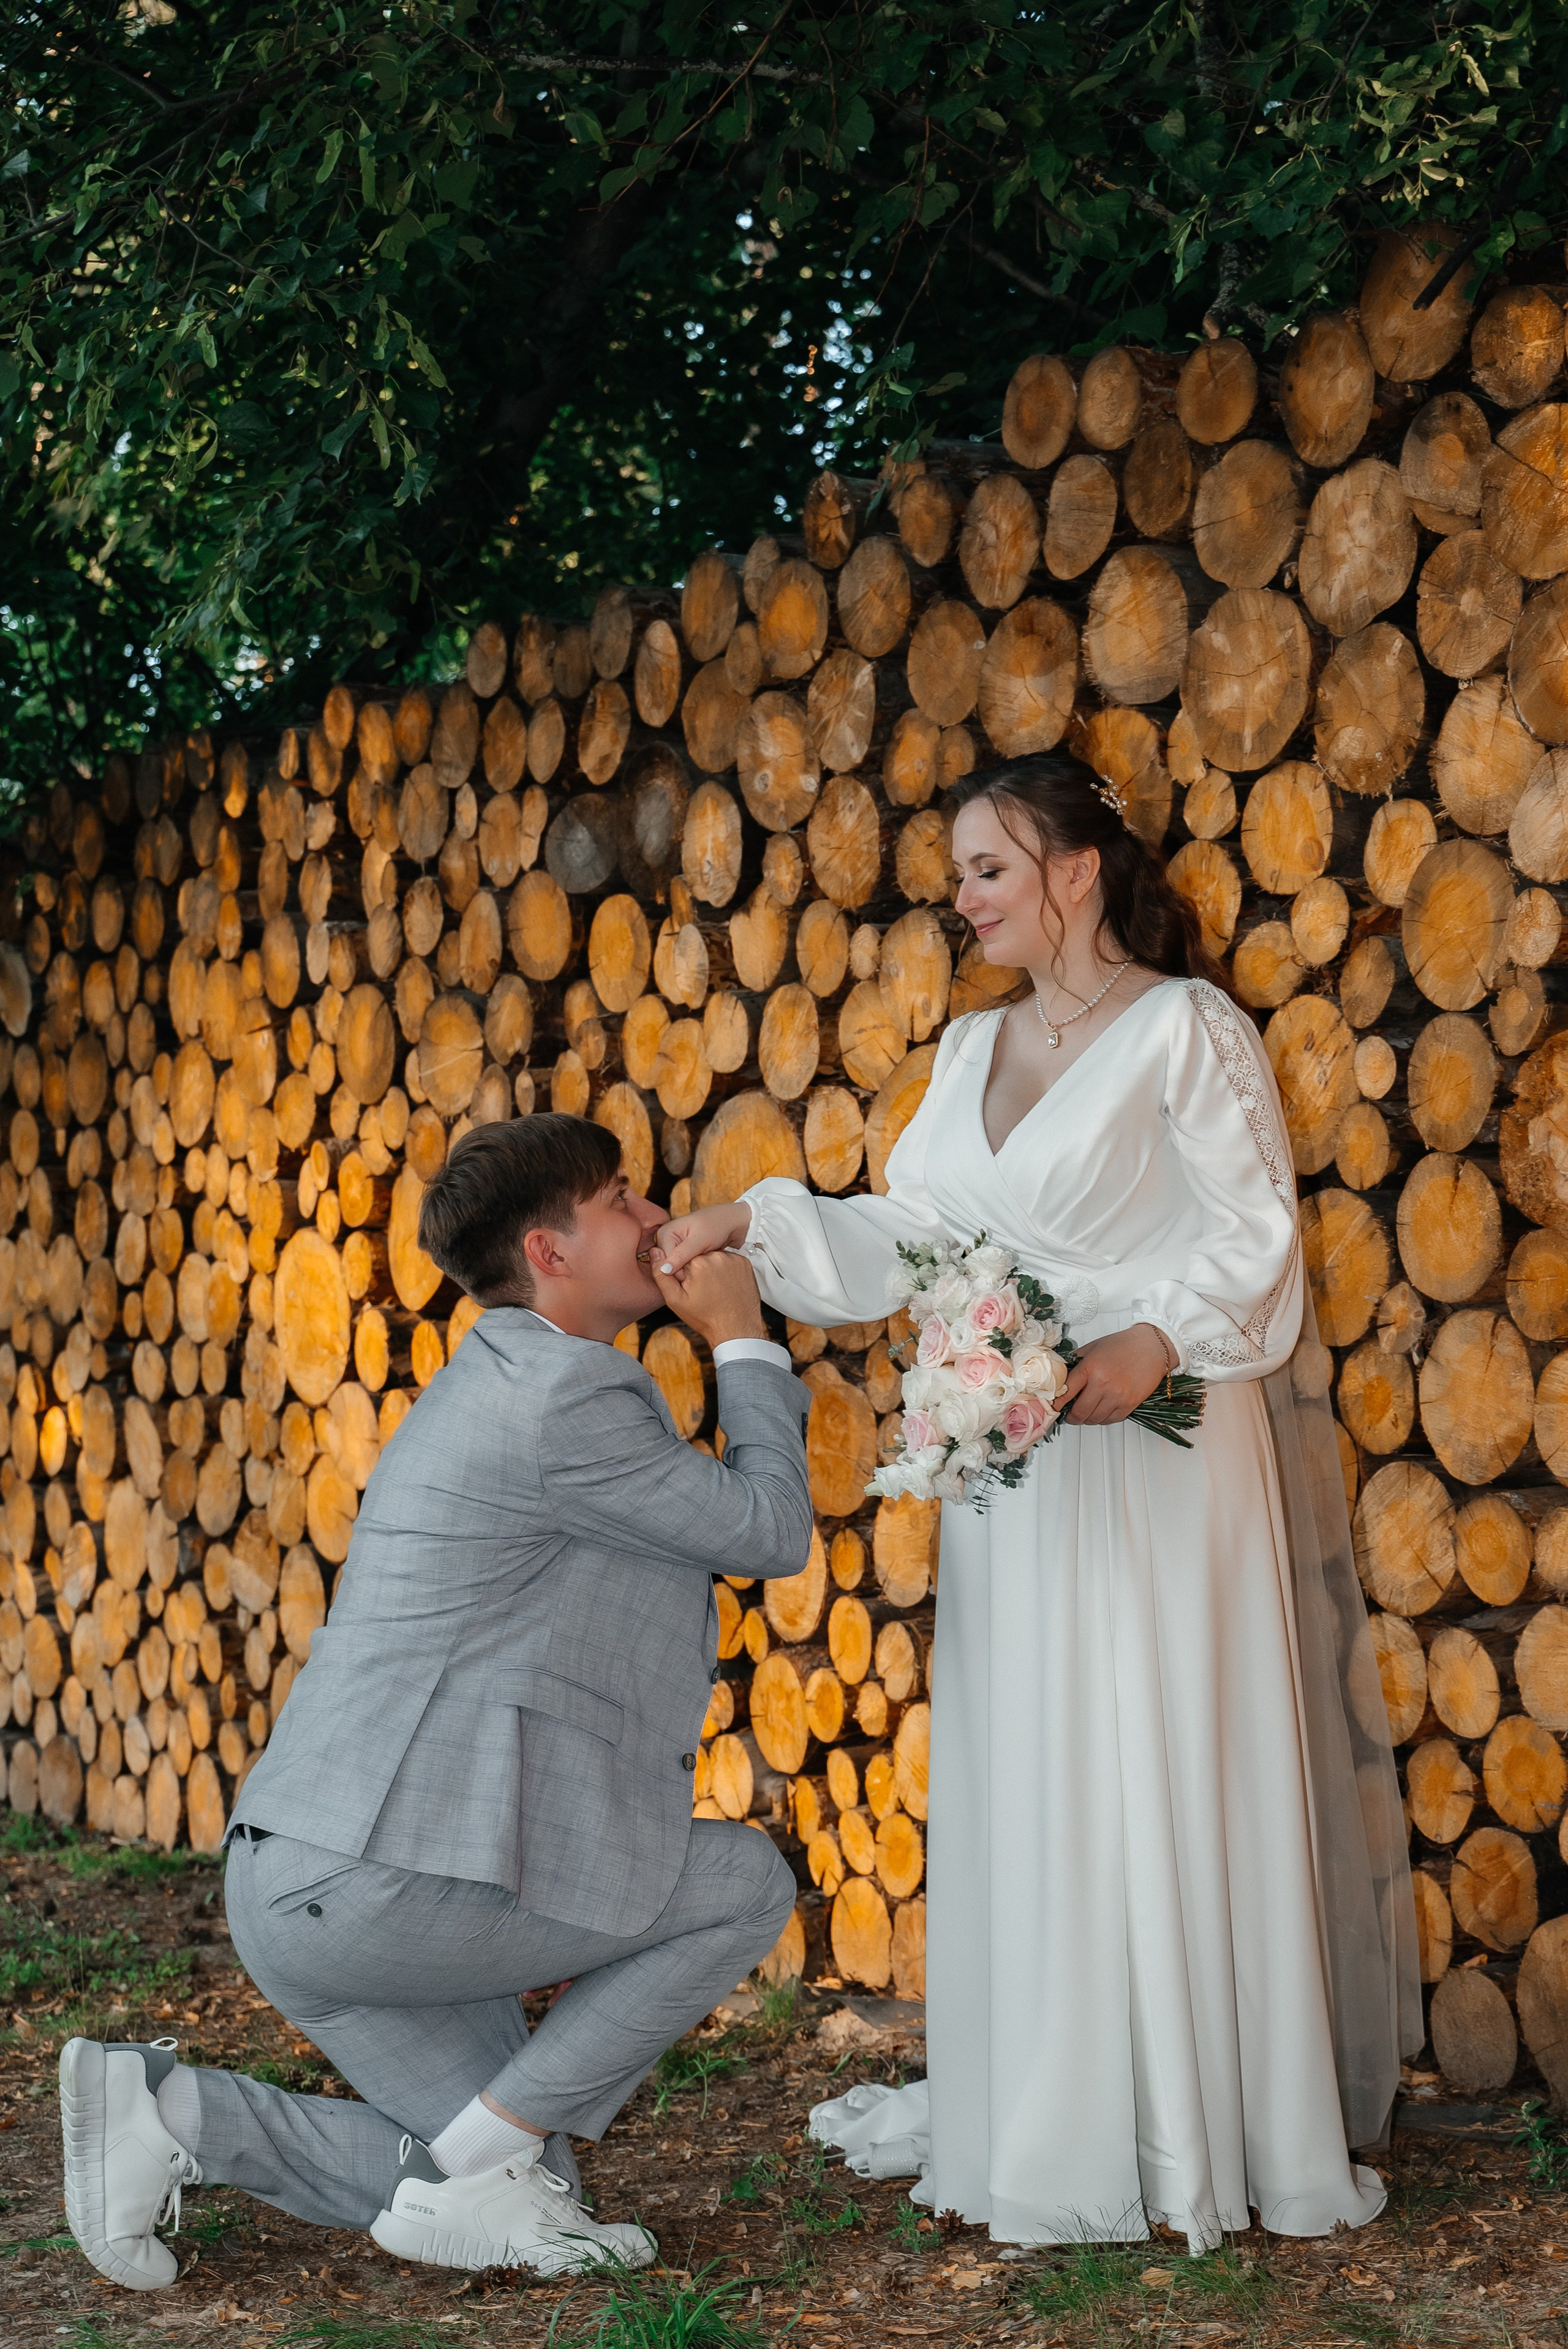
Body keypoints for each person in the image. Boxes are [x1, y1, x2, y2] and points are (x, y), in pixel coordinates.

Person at [657, 753, 1422, 2253]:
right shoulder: (963, 1050)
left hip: (1156, 1458)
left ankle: (1189, 2125)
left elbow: (1253, 1234)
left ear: (1075, 868)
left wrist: (1153, 1342)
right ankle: (1047, 2111)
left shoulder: (1183, 1030)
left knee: (1157, 1739)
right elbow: (918, 1235)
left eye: (989, 867)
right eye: (961, 872)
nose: (964, 896)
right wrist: (756, 1217)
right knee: (1038, 1757)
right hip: (1011, 1472)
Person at [60, 1114, 813, 2290]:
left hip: (306, 1878)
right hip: (378, 1878)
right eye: (623, 1198)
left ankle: (173, 2115)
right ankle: (467, 2167)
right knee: (747, 1885)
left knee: (527, 2184)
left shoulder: (508, 1375)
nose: (658, 1217)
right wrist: (743, 1341)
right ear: (549, 1251)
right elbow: (768, 1530)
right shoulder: (568, 1400)